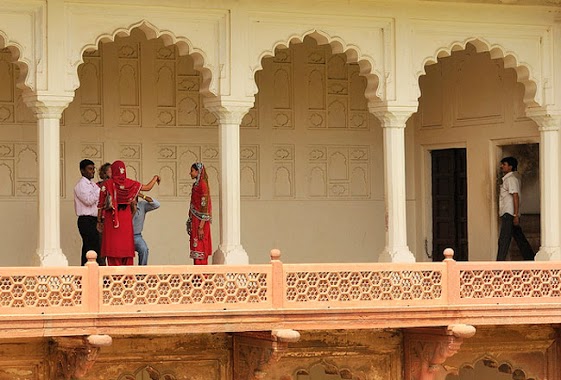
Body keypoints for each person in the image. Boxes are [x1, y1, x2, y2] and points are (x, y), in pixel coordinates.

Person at [97, 161, 160, 266]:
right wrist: (155, 178)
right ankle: (127, 280)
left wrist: (99, 220)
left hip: (112, 220)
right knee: (126, 249)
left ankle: (115, 279)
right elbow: (148, 187)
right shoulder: (130, 183)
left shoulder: (107, 184)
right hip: (126, 219)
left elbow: (100, 204)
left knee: (114, 250)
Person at [497, 156, 534, 261]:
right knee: (519, 238)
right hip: (510, 213)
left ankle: (499, 264)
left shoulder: (511, 179)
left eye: (504, 164)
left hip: (509, 214)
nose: (502, 166)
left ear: (510, 167)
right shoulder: (510, 179)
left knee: (504, 240)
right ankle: (530, 258)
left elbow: (515, 196)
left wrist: (515, 215)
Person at [74, 159, 105, 266]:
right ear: (82, 171)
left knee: (95, 247)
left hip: (94, 219)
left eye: (93, 169)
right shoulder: (80, 185)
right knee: (90, 247)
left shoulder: (92, 185)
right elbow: (88, 200)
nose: (93, 171)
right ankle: (86, 272)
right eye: (90, 169)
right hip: (86, 220)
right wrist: (100, 190)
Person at [187, 162, 212, 265]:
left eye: (192, 171)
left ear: (198, 171)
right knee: (195, 246)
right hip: (195, 220)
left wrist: (201, 227)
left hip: (201, 221)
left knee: (201, 247)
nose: (190, 173)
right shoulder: (196, 185)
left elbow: (205, 207)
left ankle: (203, 276)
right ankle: (197, 276)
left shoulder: (203, 185)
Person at [132, 193, 160, 265]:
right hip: (124, 236)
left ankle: (142, 273)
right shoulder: (124, 207)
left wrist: (142, 195)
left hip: (137, 236)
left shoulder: (142, 205)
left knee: (144, 249)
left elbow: (156, 204)